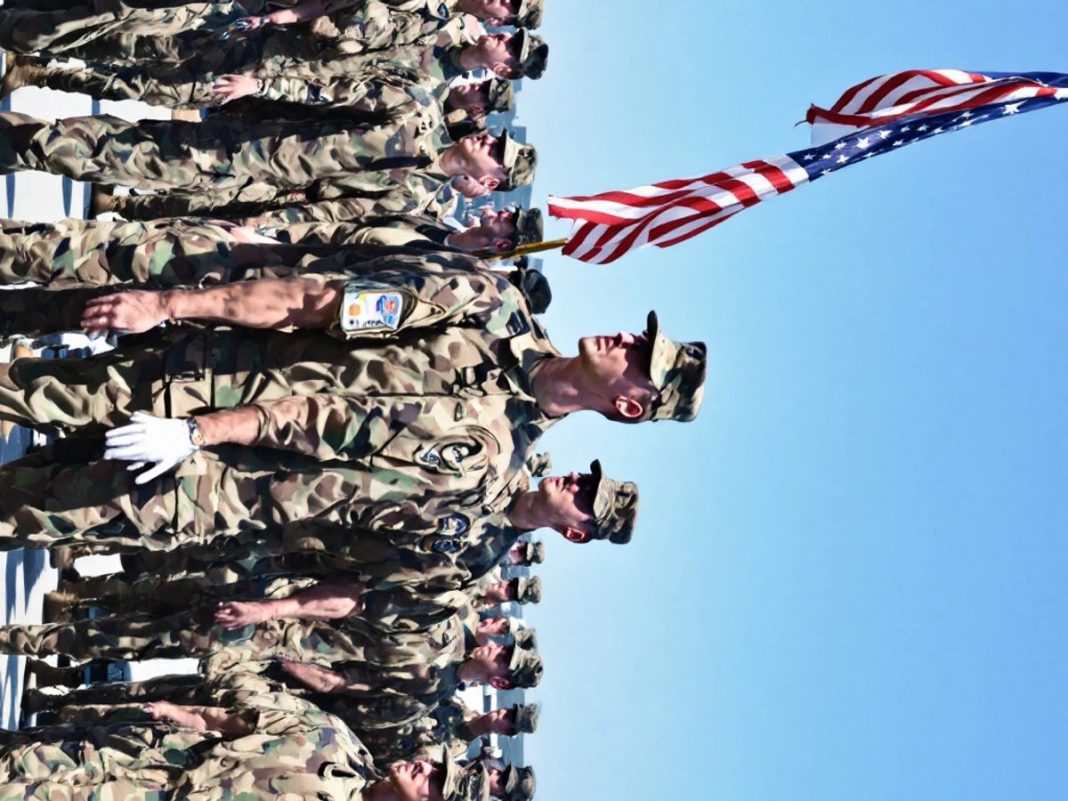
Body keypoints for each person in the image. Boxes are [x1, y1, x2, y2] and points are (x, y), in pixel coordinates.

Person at [0, 260, 700, 556]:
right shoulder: (491, 308)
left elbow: (328, 434)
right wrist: (170, 304)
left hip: (197, 482)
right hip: (190, 374)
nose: (630, 338)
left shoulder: (487, 464)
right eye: (645, 336)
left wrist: (199, 439)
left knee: (16, 506)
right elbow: (319, 300)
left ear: (630, 406)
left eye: (642, 358)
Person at [0, 205, 542, 289]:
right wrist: (273, 226)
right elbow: (338, 226)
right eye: (506, 209)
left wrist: (263, 253)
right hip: (251, 242)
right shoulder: (426, 225)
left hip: (246, 273)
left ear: (503, 245)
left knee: (99, 259)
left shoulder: (429, 275)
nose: (496, 213)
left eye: (507, 223)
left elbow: (326, 283)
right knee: (103, 238)